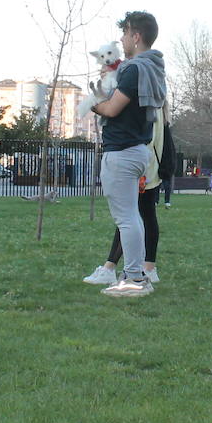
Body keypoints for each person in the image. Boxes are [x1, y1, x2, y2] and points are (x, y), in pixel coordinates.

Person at [89, 11, 166, 297]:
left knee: (127, 218)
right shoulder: (152, 67)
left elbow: (111, 109)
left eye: (125, 34)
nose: (121, 40)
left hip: (122, 152)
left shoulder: (134, 69)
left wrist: (93, 103)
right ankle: (135, 276)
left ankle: (134, 279)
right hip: (135, 151)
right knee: (131, 216)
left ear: (136, 36)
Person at [84, 101, 169, 287]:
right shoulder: (157, 104)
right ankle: (147, 267)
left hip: (144, 165)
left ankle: (117, 269)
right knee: (141, 214)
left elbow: (148, 136)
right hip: (150, 164)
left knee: (129, 216)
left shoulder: (147, 103)